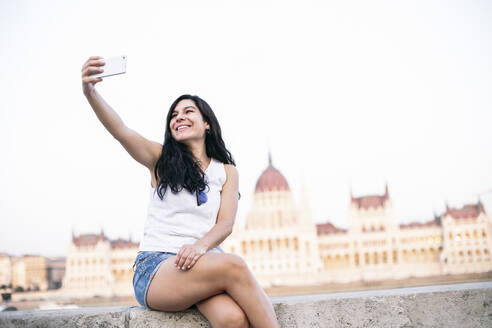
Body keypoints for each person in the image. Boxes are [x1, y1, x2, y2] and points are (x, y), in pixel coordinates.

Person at [81, 56, 279, 327]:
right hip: (156, 268)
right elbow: (121, 131)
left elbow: (226, 224)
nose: (179, 118)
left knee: (232, 319)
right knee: (235, 265)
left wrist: (199, 248)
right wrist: (90, 92)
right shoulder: (160, 159)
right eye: (174, 115)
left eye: (188, 112)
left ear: (207, 123)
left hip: (201, 263)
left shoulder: (227, 171)